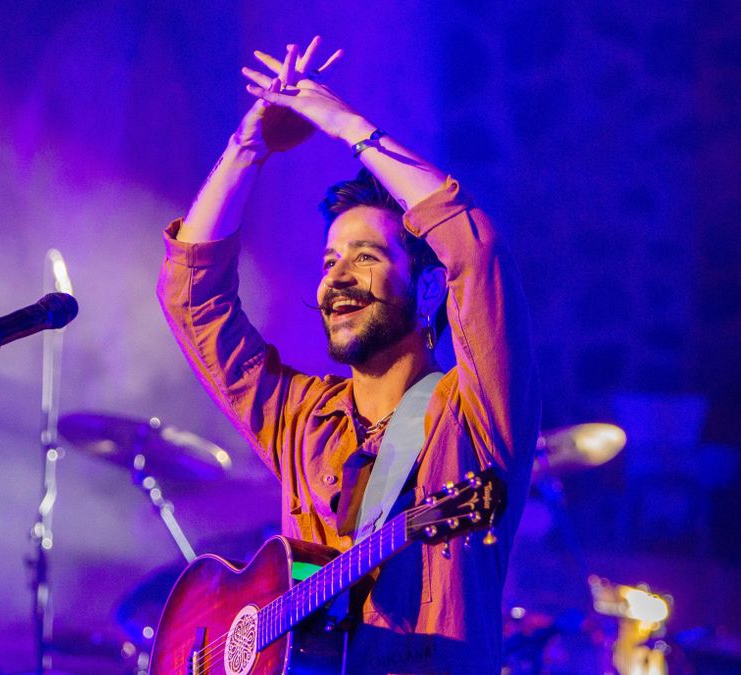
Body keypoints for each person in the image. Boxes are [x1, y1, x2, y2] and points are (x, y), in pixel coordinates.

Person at [157, 36, 539, 674]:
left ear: (424, 286)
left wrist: (345, 126)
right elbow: (194, 300)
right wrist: (247, 148)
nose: (336, 280)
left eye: (366, 258)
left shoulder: (473, 417)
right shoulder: (302, 418)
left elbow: (475, 253)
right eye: (329, 261)